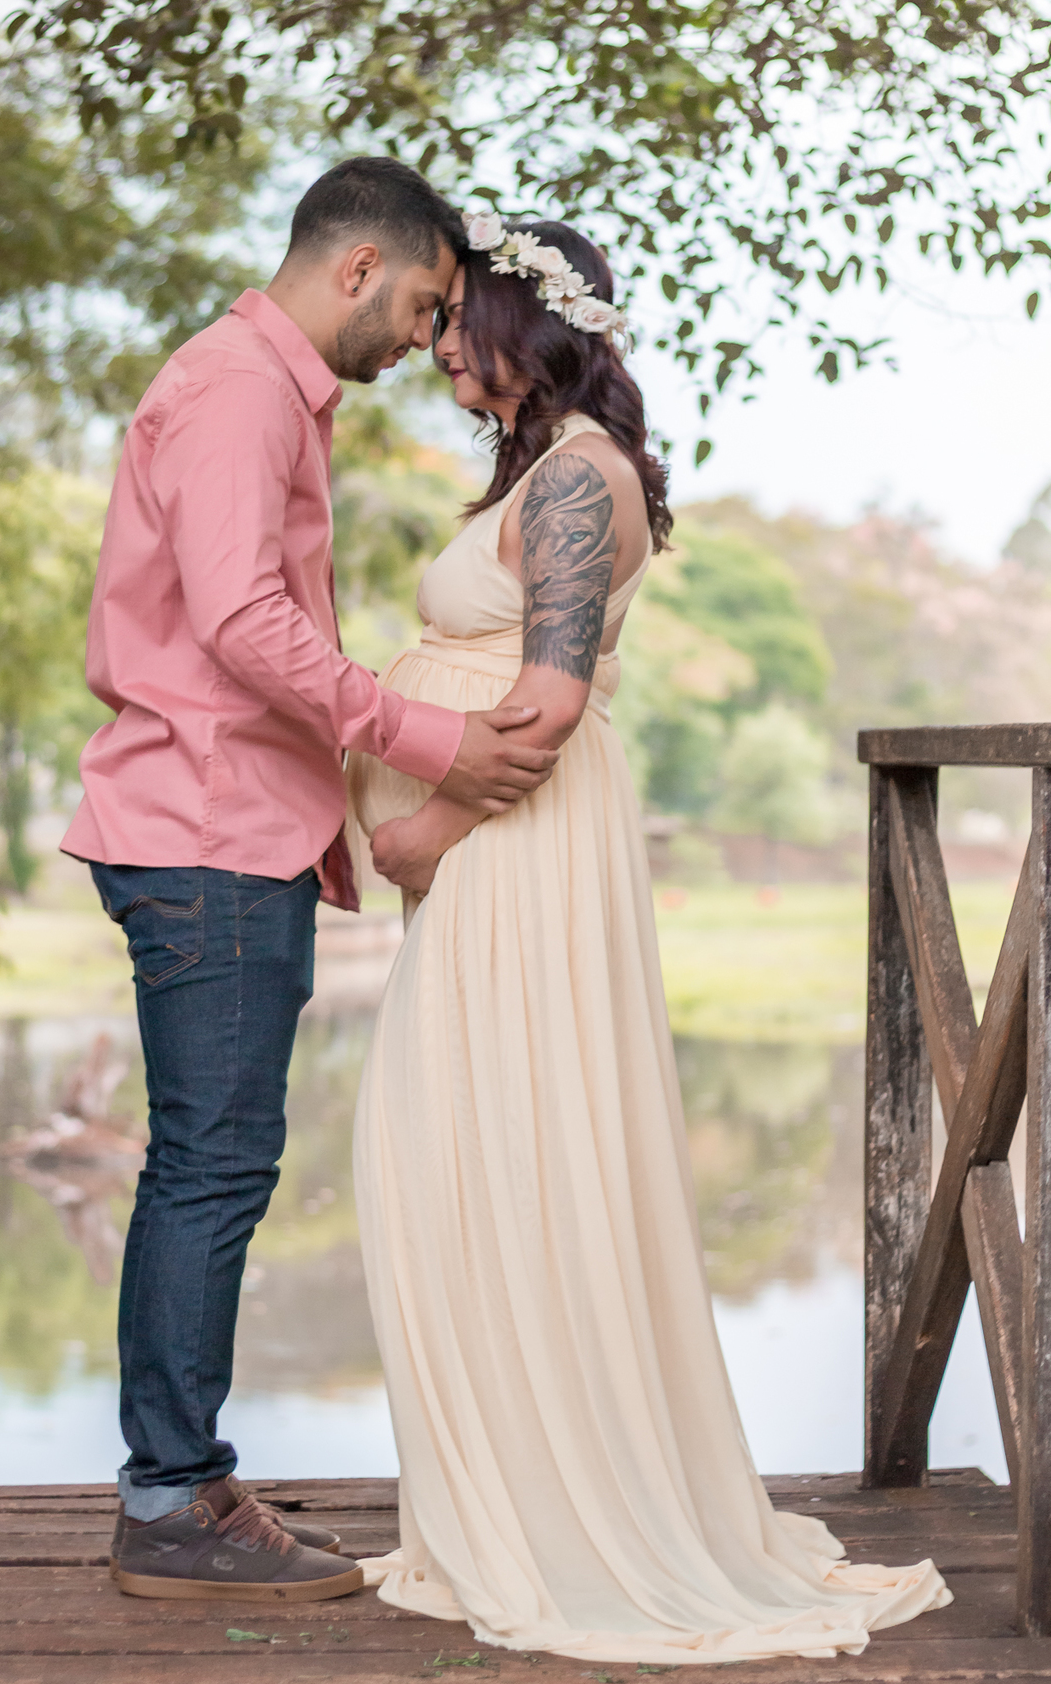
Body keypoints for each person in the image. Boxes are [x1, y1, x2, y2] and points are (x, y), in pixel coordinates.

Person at [347, 213, 952, 1661]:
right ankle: (512, 1493)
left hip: (511, 843)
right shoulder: (546, 469)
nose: (433, 350)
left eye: (451, 322)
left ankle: (558, 1511)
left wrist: (420, 832)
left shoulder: (574, 481)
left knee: (484, 1157)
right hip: (504, 857)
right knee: (476, 1161)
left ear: (522, 322)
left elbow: (547, 702)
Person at [61, 160, 561, 1604]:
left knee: (212, 1158)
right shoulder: (239, 391)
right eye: (417, 308)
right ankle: (170, 1497)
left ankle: (180, 1479)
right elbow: (237, 619)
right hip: (204, 832)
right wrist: (428, 739)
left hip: (220, 827)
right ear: (356, 268)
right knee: (212, 1163)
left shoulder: (259, 390)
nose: (422, 345)